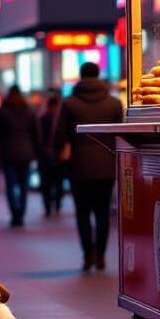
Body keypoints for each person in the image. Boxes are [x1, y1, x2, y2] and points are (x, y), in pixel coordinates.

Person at [62, 63, 123, 271]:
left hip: (79, 165)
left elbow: (59, 135)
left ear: (81, 76)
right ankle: (101, 256)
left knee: (82, 212)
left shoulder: (69, 104)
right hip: (107, 164)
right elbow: (120, 136)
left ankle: (87, 255)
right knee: (103, 212)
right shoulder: (114, 103)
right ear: (99, 75)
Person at [0, 85, 39, 227]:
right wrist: (36, 151)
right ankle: (21, 213)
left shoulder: (2, 111)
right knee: (24, 185)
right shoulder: (29, 111)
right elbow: (37, 133)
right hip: (26, 152)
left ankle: (14, 213)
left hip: (8, 152)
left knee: (11, 185)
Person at [37, 91, 67, 218]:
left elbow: (38, 138)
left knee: (46, 183)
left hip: (44, 155)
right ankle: (57, 206)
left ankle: (48, 207)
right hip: (58, 155)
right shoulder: (62, 120)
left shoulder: (41, 119)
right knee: (58, 182)